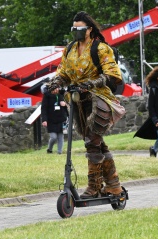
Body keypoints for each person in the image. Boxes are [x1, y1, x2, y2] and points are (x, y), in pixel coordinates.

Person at [48, 11, 125, 199]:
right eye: (74, 28)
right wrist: (56, 82)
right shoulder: (70, 48)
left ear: (89, 29)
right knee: (95, 141)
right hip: (78, 100)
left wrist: (92, 83)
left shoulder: (100, 49)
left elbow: (113, 75)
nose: (76, 31)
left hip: (98, 98)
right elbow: (64, 71)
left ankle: (94, 187)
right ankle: (114, 185)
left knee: (92, 141)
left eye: (80, 28)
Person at [41, 89, 68, 154]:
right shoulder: (47, 96)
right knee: (53, 137)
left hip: (61, 119)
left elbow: (69, 105)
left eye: (57, 89)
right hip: (51, 119)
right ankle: (49, 149)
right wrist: (44, 120)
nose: (55, 90)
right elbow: (43, 108)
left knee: (60, 137)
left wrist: (65, 104)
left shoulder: (62, 94)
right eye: (54, 89)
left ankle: (59, 152)